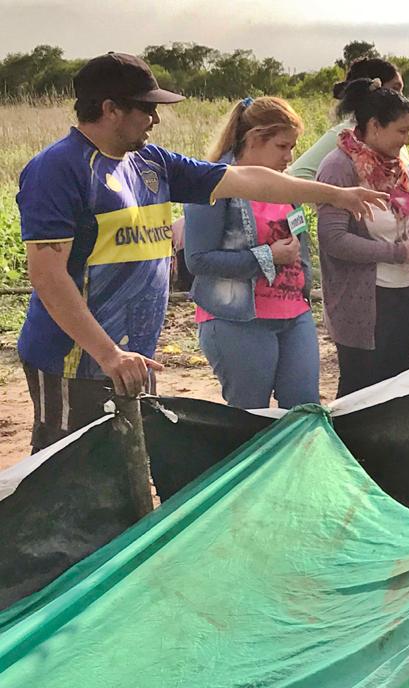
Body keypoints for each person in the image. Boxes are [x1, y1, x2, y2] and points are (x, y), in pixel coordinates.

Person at [16, 52, 386, 451]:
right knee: (71, 468)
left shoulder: (150, 162)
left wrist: (336, 195)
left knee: (126, 462)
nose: (155, 119)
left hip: (132, 357)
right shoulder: (58, 169)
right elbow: (47, 276)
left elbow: (249, 179)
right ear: (110, 109)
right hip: (75, 359)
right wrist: (108, 354)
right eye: (147, 109)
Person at [184, 97, 320, 410]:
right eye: (282, 146)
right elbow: (197, 259)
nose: (289, 157)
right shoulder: (214, 184)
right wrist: (267, 257)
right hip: (237, 319)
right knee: (251, 416)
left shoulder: (285, 185)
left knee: (305, 411)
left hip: (294, 314)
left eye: (292, 147)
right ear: (255, 139)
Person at [316, 79, 409, 397]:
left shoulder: (395, 166)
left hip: (401, 292)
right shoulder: (339, 168)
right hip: (364, 303)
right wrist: (398, 252)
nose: (408, 140)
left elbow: (400, 221)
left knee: (398, 388)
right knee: (362, 393)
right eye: (401, 130)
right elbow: (333, 239)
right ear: (374, 126)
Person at [288, 56, 406, 182]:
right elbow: (297, 174)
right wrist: (337, 192)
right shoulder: (348, 135)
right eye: (395, 89)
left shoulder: (392, 135)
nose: (402, 99)